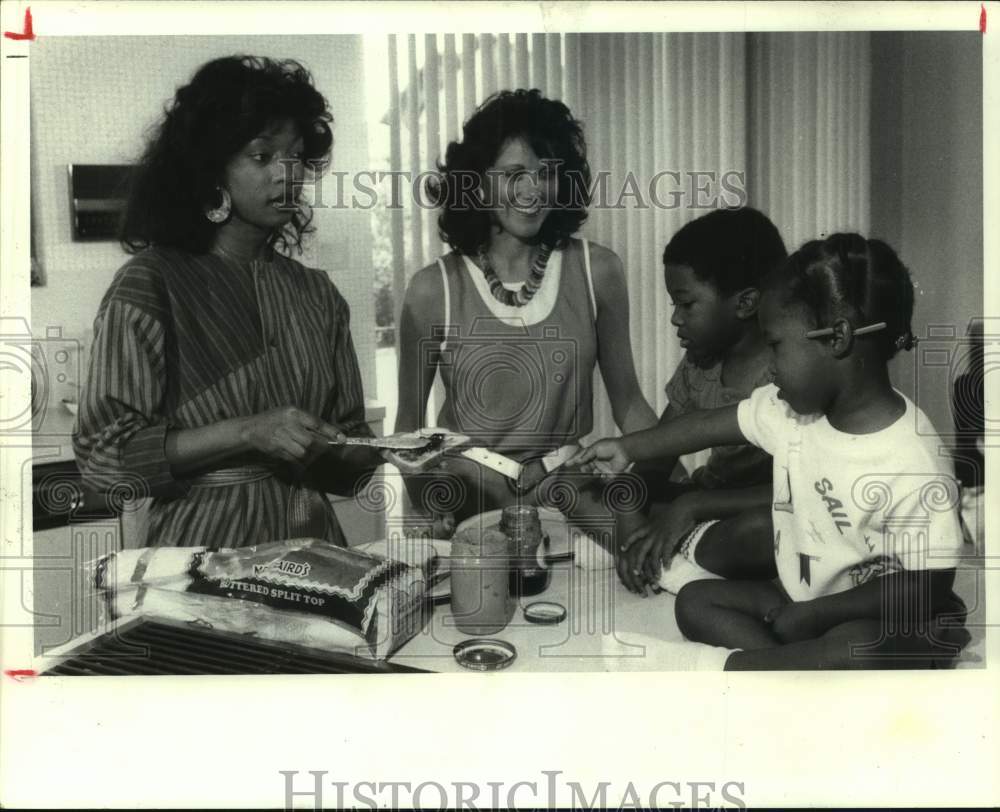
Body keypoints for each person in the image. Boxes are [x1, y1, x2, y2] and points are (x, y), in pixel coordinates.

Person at [571, 234, 970, 669]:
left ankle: (727, 671)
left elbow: (925, 586)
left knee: (858, 645)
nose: (771, 367)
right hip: (797, 594)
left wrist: (817, 614)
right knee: (695, 601)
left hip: (869, 613)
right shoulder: (791, 413)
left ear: (836, 339)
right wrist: (625, 446)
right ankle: (799, 671)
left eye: (776, 345)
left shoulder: (912, 458)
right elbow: (706, 425)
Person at [74, 56, 384, 549]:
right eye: (262, 157)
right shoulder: (150, 284)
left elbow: (350, 466)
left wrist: (378, 451)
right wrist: (246, 431)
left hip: (312, 548)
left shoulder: (318, 294)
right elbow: (103, 460)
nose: (287, 174)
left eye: (297, 157)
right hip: (203, 555)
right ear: (210, 169)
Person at [395, 89, 657, 529]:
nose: (533, 190)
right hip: (468, 498)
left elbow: (628, 401)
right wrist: (426, 497)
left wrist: (667, 473)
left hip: (570, 495)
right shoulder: (431, 288)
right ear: (477, 183)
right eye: (514, 174)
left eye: (547, 173)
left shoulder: (598, 270)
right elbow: (407, 427)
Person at [616, 208, 787, 596]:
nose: (675, 319)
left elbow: (802, 491)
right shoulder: (700, 363)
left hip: (755, 513)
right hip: (700, 505)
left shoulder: (788, 373)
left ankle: (677, 561)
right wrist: (628, 518)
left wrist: (694, 506)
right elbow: (655, 459)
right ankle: (664, 555)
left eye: (686, 304)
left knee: (760, 533)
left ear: (745, 303)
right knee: (588, 487)